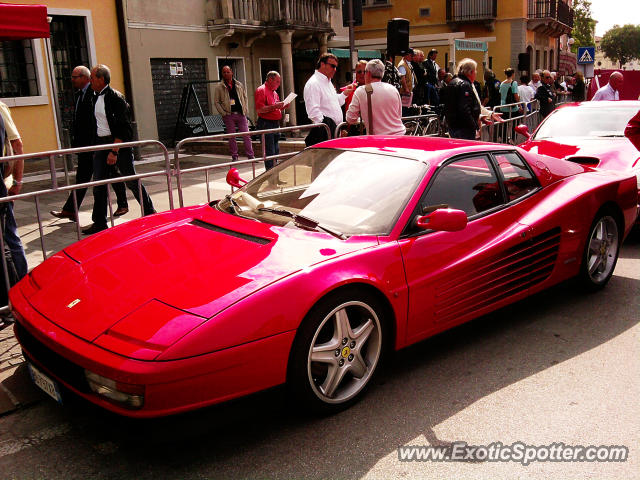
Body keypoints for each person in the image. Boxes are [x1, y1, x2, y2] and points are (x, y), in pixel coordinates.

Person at [82, 64, 155, 235]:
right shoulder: (92, 97)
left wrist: (114, 151)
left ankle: (150, 213)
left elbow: (124, 128)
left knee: (131, 180)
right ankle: (99, 222)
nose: (90, 81)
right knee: (99, 184)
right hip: (101, 144)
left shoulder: (116, 98)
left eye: (92, 78)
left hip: (118, 145)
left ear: (101, 79)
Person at [51, 66, 128, 221]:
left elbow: (102, 122)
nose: (72, 80)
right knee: (85, 176)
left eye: (75, 77)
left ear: (86, 78)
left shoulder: (95, 94)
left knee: (111, 174)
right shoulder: (81, 94)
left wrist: (111, 147)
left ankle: (123, 205)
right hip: (87, 144)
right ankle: (72, 209)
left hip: (96, 143)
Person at [0, 101, 28, 295]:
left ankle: (23, 288)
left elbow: (17, 145)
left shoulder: (0, 108)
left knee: (9, 237)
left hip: (2, 183)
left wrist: (18, 181)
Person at [303, 53, 355, 146]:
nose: (335, 70)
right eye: (332, 66)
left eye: (336, 67)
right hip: (325, 133)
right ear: (322, 64)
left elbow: (334, 103)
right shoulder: (314, 83)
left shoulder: (328, 82)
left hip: (334, 132)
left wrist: (344, 94)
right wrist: (327, 127)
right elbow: (313, 111)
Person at [346, 59, 405, 136]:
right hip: (400, 134)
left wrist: (364, 119)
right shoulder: (393, 89)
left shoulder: (361, 91)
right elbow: (399, 115)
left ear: (368, 73)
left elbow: (350, 118)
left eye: (365, 72)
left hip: (379, 139)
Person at [214, 65, 255, 161]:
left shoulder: (239, 84)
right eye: (224, 72)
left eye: (228, 72)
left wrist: (245, 109)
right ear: (222, 74)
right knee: (232, 136)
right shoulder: (219, 87)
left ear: (231, 72)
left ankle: (250, 155)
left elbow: (244, 97)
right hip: (229, 114)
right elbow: (216, 102)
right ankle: (235, 156)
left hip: (240, 113)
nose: (226, 74)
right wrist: (223, 113)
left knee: (246, 135)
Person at [443, 58, 482, 140]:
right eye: (475, 71)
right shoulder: (464, 85)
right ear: (470, 72)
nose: (476, 73)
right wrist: (474, 126)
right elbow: (464, 108)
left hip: (453, 125)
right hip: (464, 127)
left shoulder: (452, 82)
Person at [255, 71, 287, 171]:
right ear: (270, 79)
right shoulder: (261, 90)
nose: (279, 84)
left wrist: (283, 105)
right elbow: (260, 109)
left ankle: (275, 173)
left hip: (275, 123)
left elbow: (275, 106)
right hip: (266, 123)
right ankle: (271, 174)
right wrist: (275, 107)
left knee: (276, 150)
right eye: (277, 81)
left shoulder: (274, 92)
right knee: (270, 151)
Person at [397, 49, 415, 116]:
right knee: (404, 109)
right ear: (406, 55)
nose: (412, 57)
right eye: (411, 55)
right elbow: (402, 78)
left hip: (408, 91)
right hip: (405, 92)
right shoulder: (402, 65)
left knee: (408, 109)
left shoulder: (407, 63)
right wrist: (406, 88)